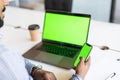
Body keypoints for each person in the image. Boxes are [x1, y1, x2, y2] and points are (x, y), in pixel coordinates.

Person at [0, 0, 90, 80]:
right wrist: (79, 76)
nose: (7, 2)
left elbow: (17, 60)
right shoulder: (4, 61)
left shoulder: (4, 52)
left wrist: (35, 70)